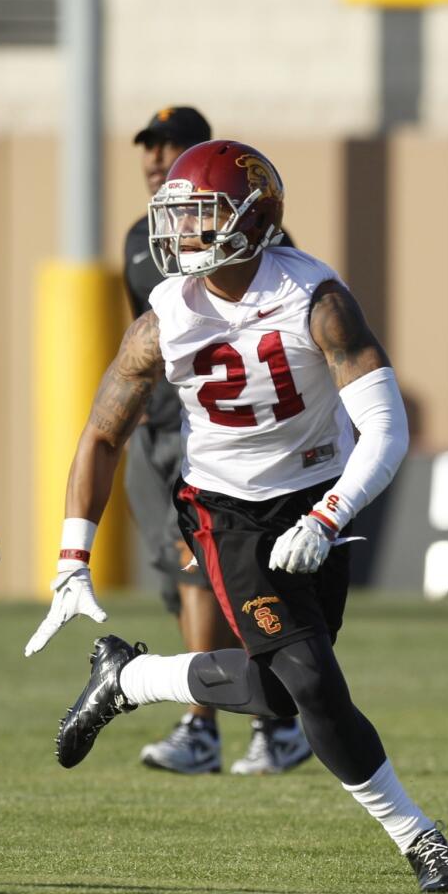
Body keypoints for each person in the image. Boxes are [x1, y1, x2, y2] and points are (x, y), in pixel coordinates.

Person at [25, 140, 448, 893]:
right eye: (178, 216)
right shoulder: (163, 321)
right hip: (226, 512)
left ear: (251, 218)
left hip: (318, 497)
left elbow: (387, 430)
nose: (181, 233)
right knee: (313, 683)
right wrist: (73, 555)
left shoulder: (316, 300)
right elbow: (102, 434)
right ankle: (420, 839)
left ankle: (130, 678)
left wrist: (329, 516)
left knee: (276, 690)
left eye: (200, 216)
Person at [121, 107, 310, 777]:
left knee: (213, 582)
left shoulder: (271, 254)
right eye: (147, 144)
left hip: (221, 443)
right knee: (185, 588)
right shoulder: (138, 242)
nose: (154, 156)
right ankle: (273, 725)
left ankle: (204, 725)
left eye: (169, 144)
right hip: (160, 433)